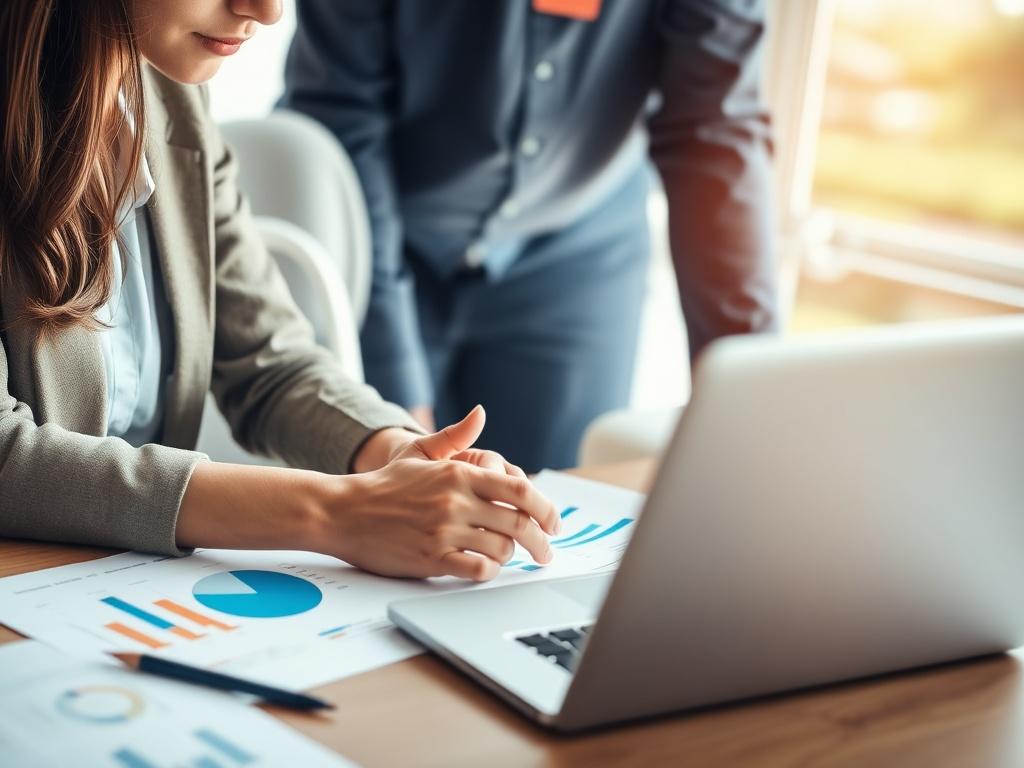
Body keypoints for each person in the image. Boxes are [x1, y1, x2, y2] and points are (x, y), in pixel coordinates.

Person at [0, 0, 560, 583]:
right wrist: (333, 513)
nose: (268, 12)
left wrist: (394, 452)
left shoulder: (170, 98)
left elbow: (268, 360)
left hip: (114, 580)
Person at [281, 0, 779, 473]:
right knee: (369, 502)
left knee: (555, 525)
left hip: (577, 251)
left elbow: (714, 131)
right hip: (374, 236)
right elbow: (344, 112)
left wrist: (749, 392)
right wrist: (390, 381)